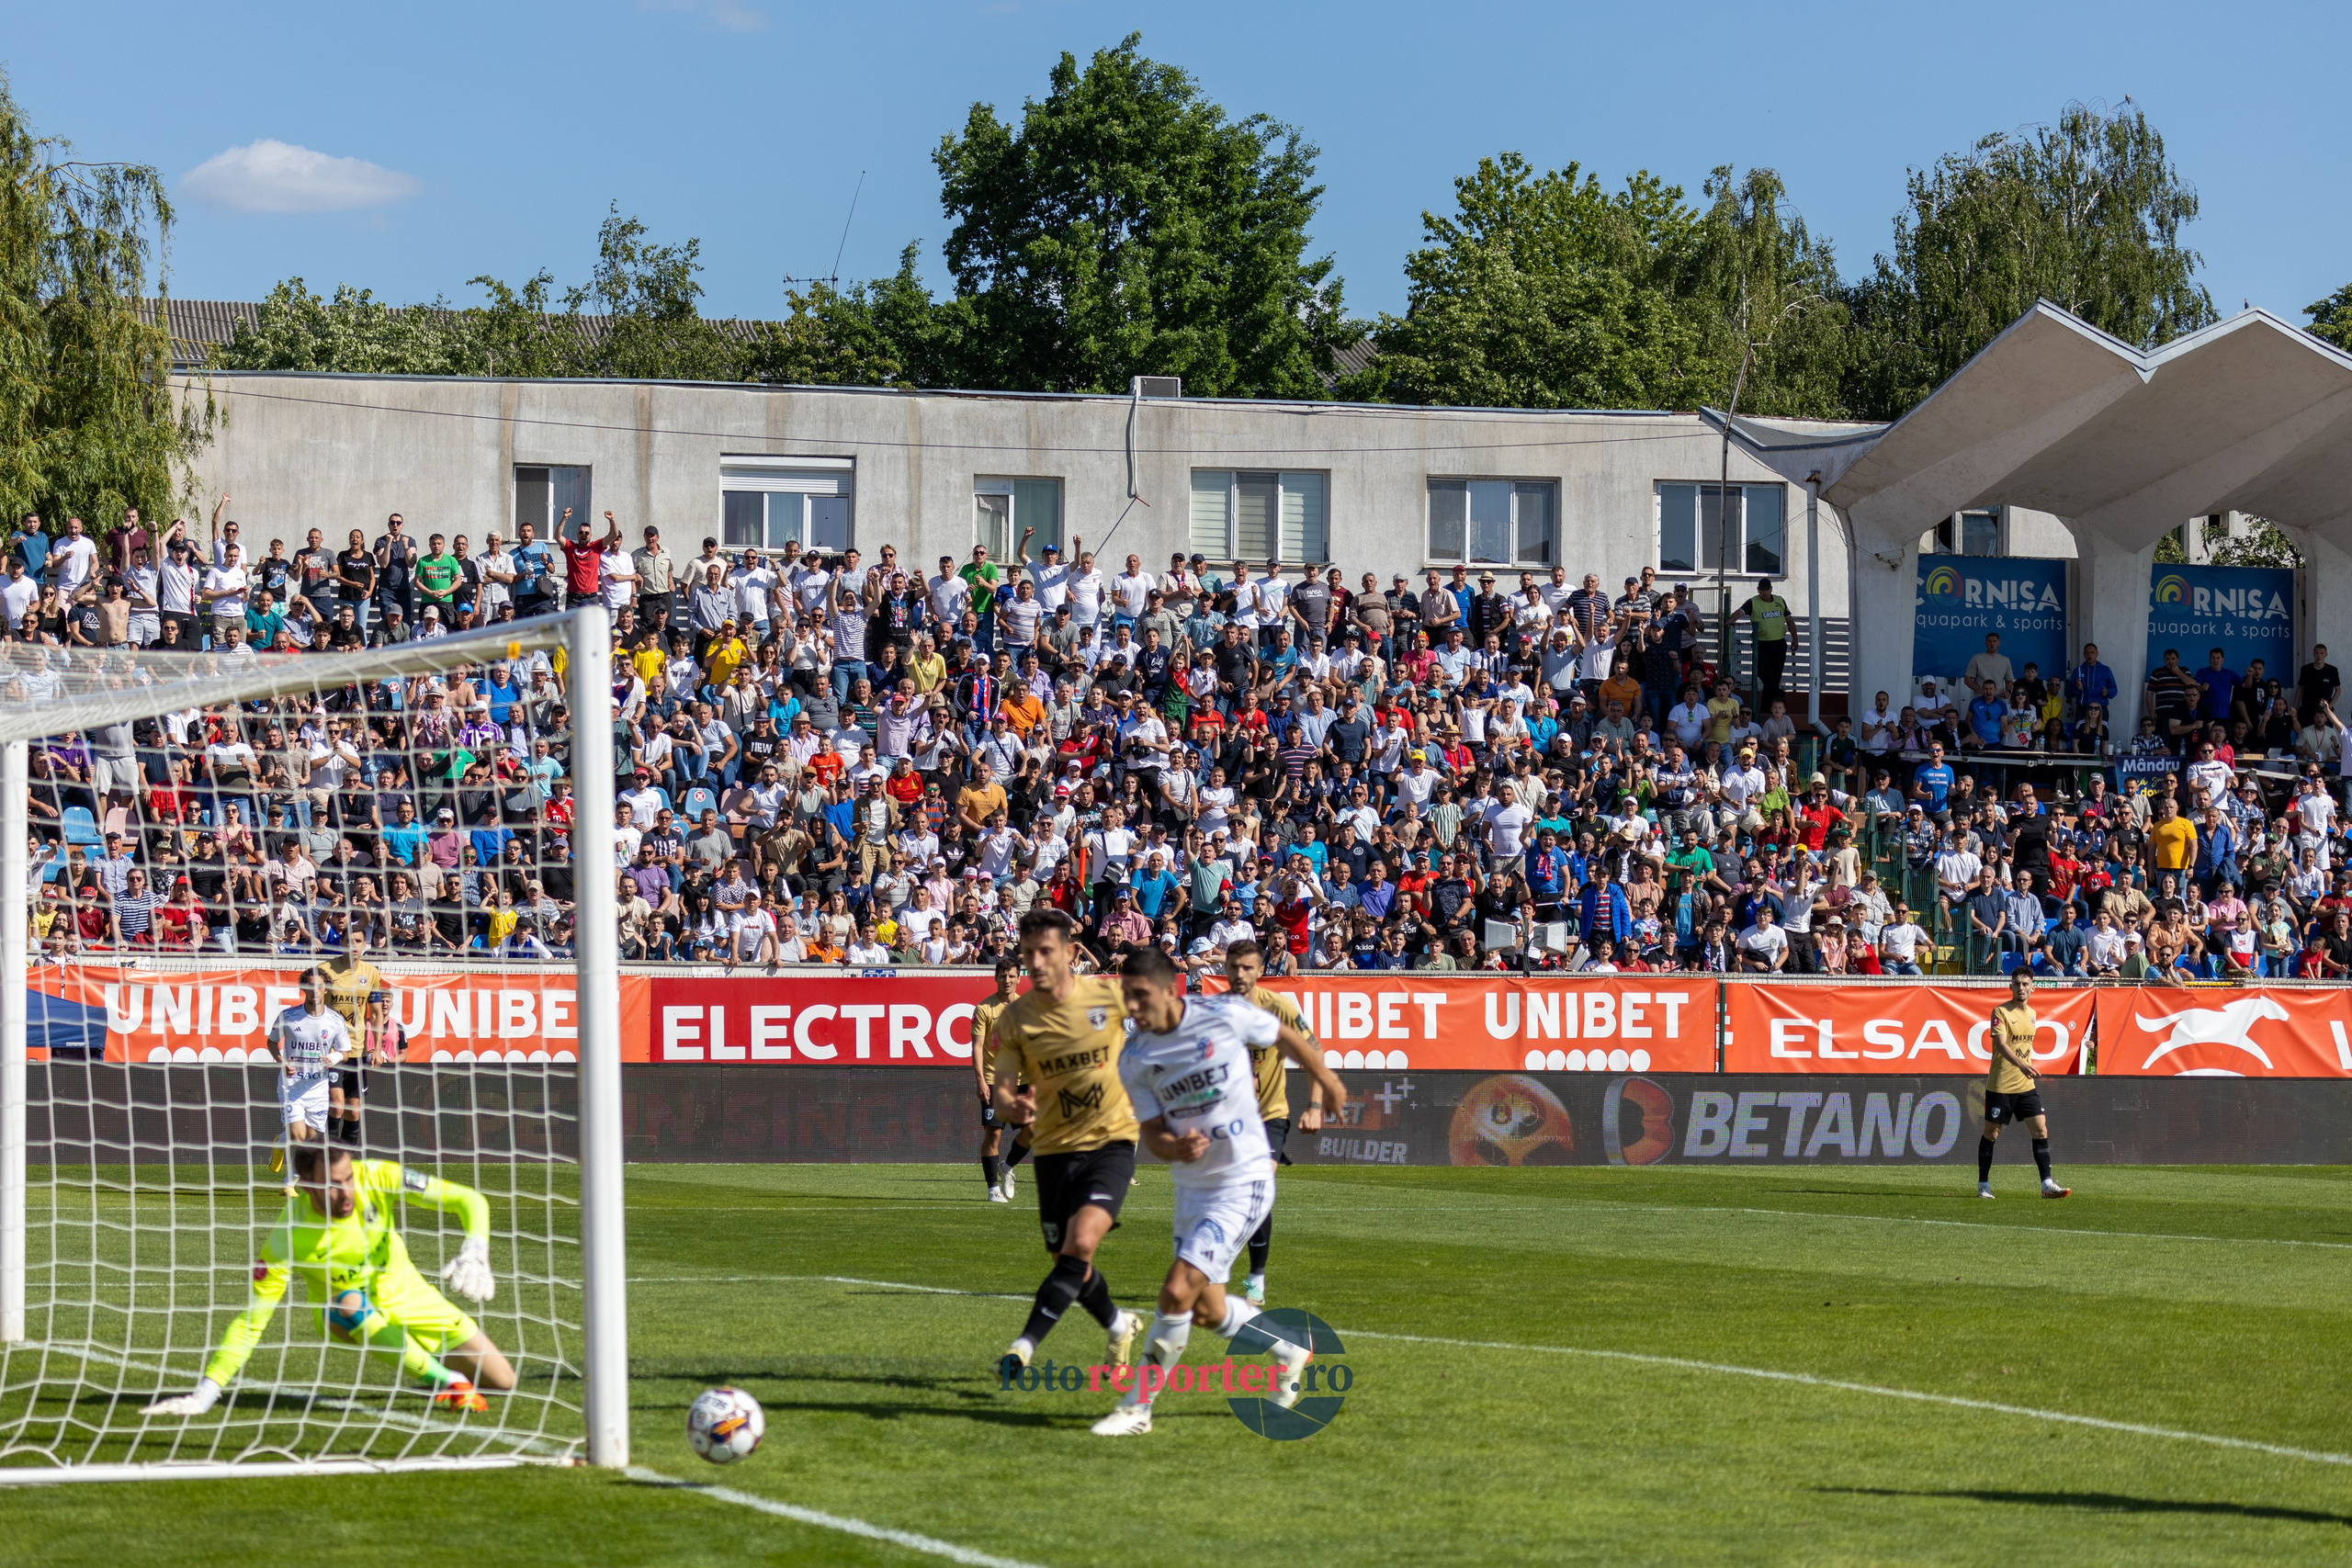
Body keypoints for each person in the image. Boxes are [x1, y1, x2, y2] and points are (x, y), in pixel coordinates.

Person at [1088, 943, 1348, 1438]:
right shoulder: (1136, 1058)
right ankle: (1290, 1350)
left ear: (1169, 990)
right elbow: (1152, 1132)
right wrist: (1174, 1146)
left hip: (1244, 1177)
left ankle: (1137, 1407)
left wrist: (1325, 1080)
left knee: (1175, 1290)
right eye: (1128, 998)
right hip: (1192, 1190)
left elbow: (1288, 1038)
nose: (1134, 1009)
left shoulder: (1224, 1014)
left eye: (1141, 997)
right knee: (1206, 1310)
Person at [140, 1143, 510, 1417]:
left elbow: (469, 1200)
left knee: (503, 1381)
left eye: (348, 1178)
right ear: (309, 1185)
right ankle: (444, 1379)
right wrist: (205, 1394)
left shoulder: (376, 1175)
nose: (347, 1190)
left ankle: (421, 1359)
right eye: (333, 1184)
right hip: (342, 1312)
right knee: (350, 1302)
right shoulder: (289, 1236)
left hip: (408, 1293)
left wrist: (475, 1246)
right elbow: (252, 1321)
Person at [990, 908, 1143, 1386]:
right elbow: (1002, 1088)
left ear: (1070, 953)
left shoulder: (1108, 996)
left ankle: (1023, 1346)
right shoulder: (1017, 1018)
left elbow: (1169, 1025)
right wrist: (1013, 1106)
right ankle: (1119, 1326)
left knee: (1080, 1243)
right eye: (1028, 953)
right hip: (1054, 1152)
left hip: (1111, 1142)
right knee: (1069, 1264)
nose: (1035, 962)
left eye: (1045, 951)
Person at [1224, 940, 1326, 1306]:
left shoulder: (1277, 1007)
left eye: (1247, 967)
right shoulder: (1214, 1012)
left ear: (1259, 970)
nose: (1240, 974)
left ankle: (1256, 1278)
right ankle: (1219, 1266)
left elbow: (1314, 1051)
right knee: (1231, 1195)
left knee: (1258, 1185)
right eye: (1234, 966)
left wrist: (1315, 1105)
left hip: (1269, 1116)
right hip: (1227, 1118)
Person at [1977, 970, 2070, 1201]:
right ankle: (1983, 1184)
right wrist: (2020, 1064)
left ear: (2032, 988)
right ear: (2011, 986)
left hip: (2025, 1084)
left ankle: (2047, 1183)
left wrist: (2024, 1067)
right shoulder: (2000, 1012)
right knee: (1992, 1133)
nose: (2021, 987)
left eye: (2025, 984)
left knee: (2040, 1129)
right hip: (2001, 1084)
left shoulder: (2032, 1014)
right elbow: (2000, 1044)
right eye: (2017, 983)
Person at [267, 968, 352, 1159]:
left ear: (326, 989)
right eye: (311, 986)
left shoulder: (335, 1021)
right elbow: (271, 1041)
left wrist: (335, 1058)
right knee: (298, 1137)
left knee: (312, 1142)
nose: (315, 990)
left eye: (320, 986)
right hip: (292, 1086)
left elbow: (346, 1052)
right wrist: (281, 1061)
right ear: (304, 988)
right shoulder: (288, 1016)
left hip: (318, 1087)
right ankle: (289, 1182)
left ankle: (289, 1183)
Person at [318, 935, 391, 1148]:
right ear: (342, 944)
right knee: (337, 1106)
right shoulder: (325, 970)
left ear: (364, 945)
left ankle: (346, 1162)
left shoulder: (371, 973)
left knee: (353, 1111)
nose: (354, 946)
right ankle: (328, 1158)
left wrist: (377, 1049)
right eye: (349, 941)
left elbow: (376, 1014)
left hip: (357, 1050)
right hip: (332, 1050)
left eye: (358, 941)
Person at [971, 956, 1034, 1204]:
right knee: (994, 1134)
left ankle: (1007, 1166)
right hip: (994, 1079)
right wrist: (980, 1081)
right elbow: (977, 1047)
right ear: (995, 977)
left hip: (1023, 1080)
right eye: (1002, 975)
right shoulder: (984, 1008)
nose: (1007, 980)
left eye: (1011, 976)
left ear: (1019, 978)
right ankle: (992, 1188)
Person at [1734, 577, 1792, 710]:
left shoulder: (1779, 600)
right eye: (1762, 590)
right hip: (1761, 644)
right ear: (1758, 590)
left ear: (1771, 589)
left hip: (1778, 643)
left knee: (1775, 676)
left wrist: (1795, 638)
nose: (1764, 592)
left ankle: (1767, 707)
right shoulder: (1753, 602)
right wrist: (1731, 619)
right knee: (1763, 672)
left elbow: (1789, 620)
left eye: (1767, 589)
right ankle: (1778, 695)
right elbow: (1740, 611)